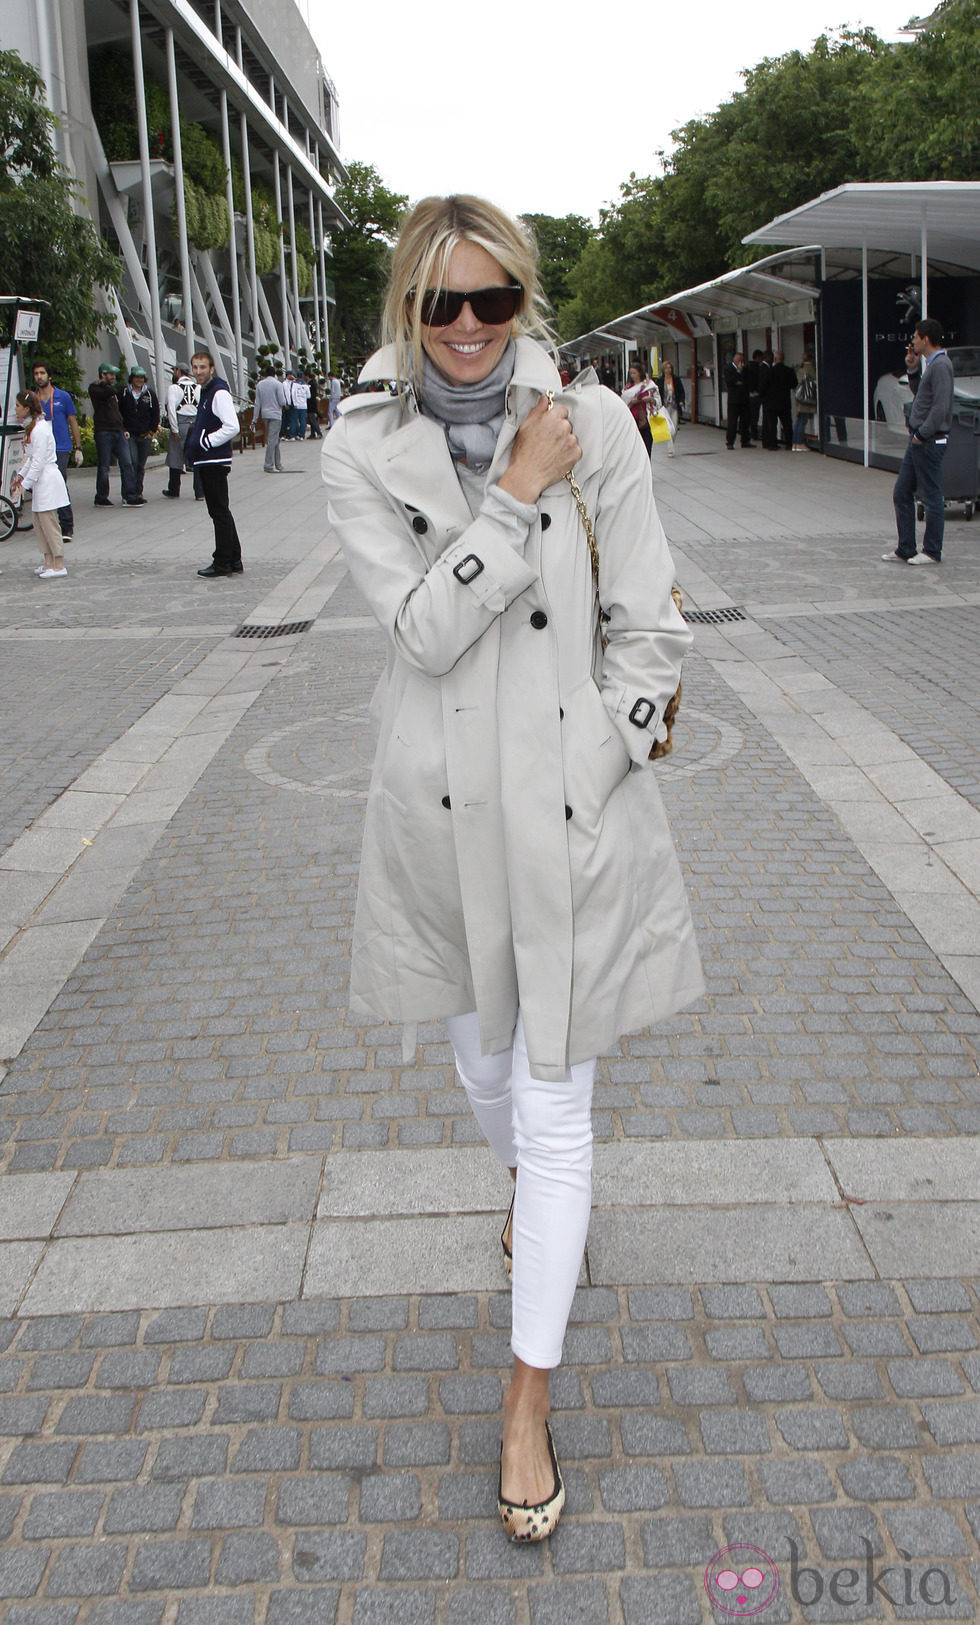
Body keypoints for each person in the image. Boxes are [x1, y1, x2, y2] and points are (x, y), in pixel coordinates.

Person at [321, 193, 703, 1544]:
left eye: (496, 302)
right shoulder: (360, 450)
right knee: (486, 1070)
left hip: (568, 817)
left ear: (524, 298)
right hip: (441, 818)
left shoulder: (596, 420)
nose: (473, 330)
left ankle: (528, 1396)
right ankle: (533, 1206)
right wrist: (516, 491)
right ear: (407, 311)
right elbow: (425, 632)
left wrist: (598, 768)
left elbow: (651, 622)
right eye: (444, 306)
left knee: (555, 1106)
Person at [884, 316, 954, 566]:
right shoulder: (931, 365)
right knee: (902, 492)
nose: (912, 342)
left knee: (931, 495)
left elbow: (940, 406)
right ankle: (906, 547)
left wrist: (922, 433)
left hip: (928, 440)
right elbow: (923, 396)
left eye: (915, 338)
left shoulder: (941, 365)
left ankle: (933, 550)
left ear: (925, 339)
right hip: (919, 440)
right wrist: (912, 369)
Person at [184, 349, 243, 577]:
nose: (198, 372)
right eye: (195, 367)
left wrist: (206, 442)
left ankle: (222, 561)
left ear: (211, 369)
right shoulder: (207, 391)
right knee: (220, 511)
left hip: (213, 459)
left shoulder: (218, 393)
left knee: (218, 511)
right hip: (208, 459)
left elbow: (232, 426)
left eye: (202, 367)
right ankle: (233, 559)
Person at [10, 390, 71, 578]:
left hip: (48, 479)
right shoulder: (33, 428)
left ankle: (59, 563)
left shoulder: (40, 429)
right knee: (39, 522)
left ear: (27, 409)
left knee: (49, 522)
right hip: (40, 480)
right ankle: (47, 561)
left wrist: (24, 485)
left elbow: (39, 462)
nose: (15, 409)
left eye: (18, 406)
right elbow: (31, 458)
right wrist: (20, 476)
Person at [32, 362, 82, 543]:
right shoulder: (33, 398)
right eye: (36, 373)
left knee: (59, 482)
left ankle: (67, 525)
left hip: (60, 446)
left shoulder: (63, 396)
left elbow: (73, 421)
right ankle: (47, 523)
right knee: (42, 484)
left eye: (42, 373)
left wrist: (78, 447)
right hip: (41, 446)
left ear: (49, 376)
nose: (39, 376)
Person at [88, 364, 143, 505]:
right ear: (102, 374)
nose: (113, 378)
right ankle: (101, 496)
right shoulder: (95, 388)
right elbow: (109, 391)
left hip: (117, 430)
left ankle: (130, 495)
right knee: (104, 466)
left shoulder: (109, 391)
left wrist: (123, 427)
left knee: (127, 463)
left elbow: (116, 410)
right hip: (104, 431)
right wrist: (102, 384)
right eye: (110, 375)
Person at [118, 367, 160, 498]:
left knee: (141, 466)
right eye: (136, 377)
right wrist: (123, 428)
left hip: (144, 435)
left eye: (141, 378)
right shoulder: (124, 392)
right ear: (132, 378)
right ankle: (129, 493)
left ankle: (138, 491)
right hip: (129, 434)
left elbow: (155, 413)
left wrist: (151, 431)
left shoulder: (149, 394)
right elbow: (118, 412)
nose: (139, 380)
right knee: (132, 463)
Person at [163, 364, 202, 498]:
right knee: (197, 458)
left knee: (175, 457)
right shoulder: (198, 387)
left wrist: (174, 429)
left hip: (181, 423)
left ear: (178, 371)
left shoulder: (174, 388)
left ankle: (174, 489)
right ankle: (199, 491)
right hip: (196, 423)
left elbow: (171, 410)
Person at [254, 365, 288, 472]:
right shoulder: (278, 384)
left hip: (265, 414)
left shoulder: (260, 384)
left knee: (274, 439)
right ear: (274, 374)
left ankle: (278, 463)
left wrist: (254, 418)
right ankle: (268, 464)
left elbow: (257, 403)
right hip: (275, 414)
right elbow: (282, 401)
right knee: (272, 440)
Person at [621, 363, 660, 456]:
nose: (632, 375)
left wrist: (650, 399)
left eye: (634, 373)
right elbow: (623, 404)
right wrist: (632, 402)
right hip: (632, 420)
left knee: (647, 447)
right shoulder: (627, 388)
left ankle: (647, 467)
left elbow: (657, 400)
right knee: (634, 448)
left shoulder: (649, 384)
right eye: (631, 373)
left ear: (640, 373)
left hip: (646, 419)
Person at [763, 350, 797, 451]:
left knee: (772, 424)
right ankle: (789, 443)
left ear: (775, 359)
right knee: (787, 423)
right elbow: (794, 384)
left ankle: (773, 444)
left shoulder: (770, 371)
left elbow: (764, 385)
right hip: (784, 401)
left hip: (771, 401)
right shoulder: (789, 370)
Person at [657, 360, 685, 457]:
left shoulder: (676, 379)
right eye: (666, 368)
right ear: (663, 369)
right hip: (664, 406)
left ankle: (671, 443)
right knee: (668, 427)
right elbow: (657, 393)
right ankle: (670, 449)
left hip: (674, 405)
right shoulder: (660, 380)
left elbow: (681, 391)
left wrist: (681, 400)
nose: (668, 370)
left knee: (675, 426)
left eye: (670, 368)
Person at [724, 353, 752, 449]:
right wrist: (738, 372)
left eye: (741, 360)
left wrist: (740, 381)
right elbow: (730, 382)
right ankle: (730, 442)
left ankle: (745, 440)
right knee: (732, 422)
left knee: (745, 421)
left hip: (744, 399)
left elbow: (747, 382)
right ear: (735, 359)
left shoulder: (746, 369)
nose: (741, 362)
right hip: (733, 400)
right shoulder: (729, 368)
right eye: (739, 360)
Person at [792, 351, 817, 451]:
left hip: (800, 397)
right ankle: (799, 443)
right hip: (807, 399)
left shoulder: (800, 367)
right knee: (803, 420)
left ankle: (795, 443)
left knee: (799, 420)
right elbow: (815, 380)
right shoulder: (809, 368)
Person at [305, 374, 322, 439]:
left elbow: (310, 395)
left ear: (308, 376)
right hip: (312, 403)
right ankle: (312, 434)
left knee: (312, 419)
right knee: (311, 420)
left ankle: (319, 432)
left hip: (311, 404)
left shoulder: (310, 384)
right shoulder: (313, 383)